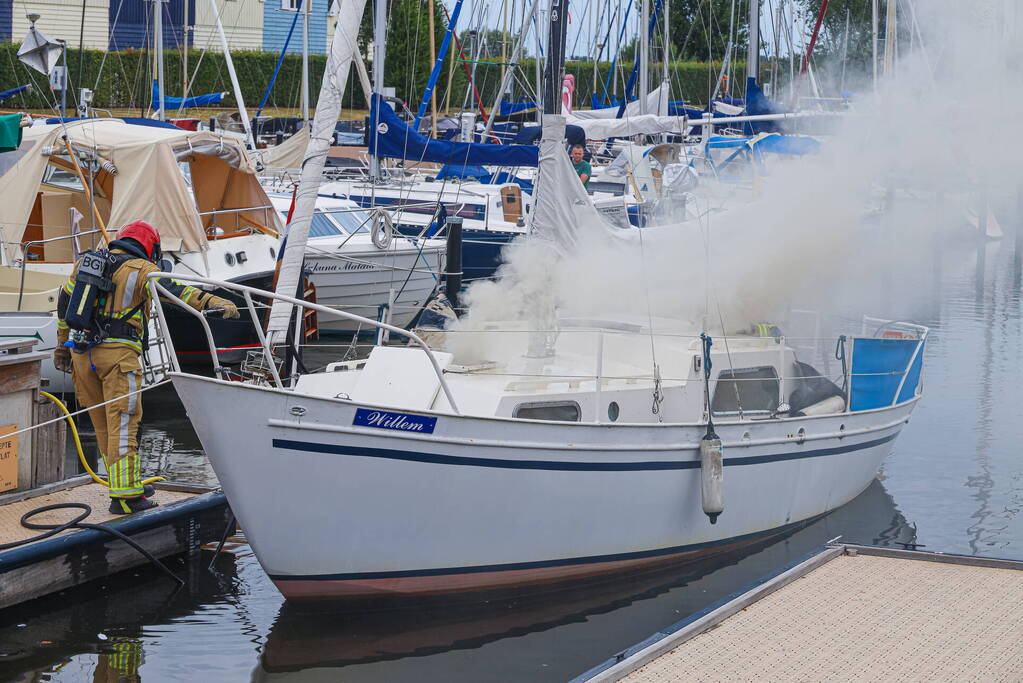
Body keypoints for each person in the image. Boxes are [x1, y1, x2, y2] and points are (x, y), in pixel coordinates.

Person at [54, 221, 239, 514]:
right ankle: (127, 498)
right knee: (124, 424)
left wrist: (61, 346)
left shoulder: (86, 264)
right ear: (149, 246)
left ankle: (123, 486)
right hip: (117, 357)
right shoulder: (143, 270)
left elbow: (65, 305)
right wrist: (214, 301)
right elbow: (176, 290)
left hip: (81, 356)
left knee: (103, 425)